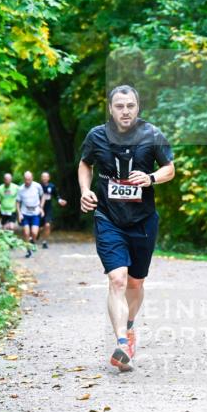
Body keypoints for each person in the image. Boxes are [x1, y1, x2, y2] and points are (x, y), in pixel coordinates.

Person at [77, 84, 175, 372]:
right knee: (117, 279)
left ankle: (129, 329)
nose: (125, 111)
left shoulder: (152, 134)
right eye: (119, 106)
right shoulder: (96, 136)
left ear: (138, 106)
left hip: (143, 220)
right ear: (110, 108)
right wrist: (85, 190)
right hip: (108, 217)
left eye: (130, 105)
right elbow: (85, 164)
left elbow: (170, 168)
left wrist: (151, 178)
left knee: (135, 282)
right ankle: (121, 342)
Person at [15, 170, 44, 258]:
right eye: (26, 179)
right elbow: (17, 202)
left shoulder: (37, 186)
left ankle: (33, 242)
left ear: (32, 178)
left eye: (29, 179)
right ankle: (28, 250)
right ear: (24, 179)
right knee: (26, 232)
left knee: (34, 233)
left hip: (35, 212)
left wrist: (41, 208)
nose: (27, 181)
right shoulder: (20, 189)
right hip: (25, 213)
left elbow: (43, 196)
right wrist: (19, 214)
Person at [39, 171, 68, 248]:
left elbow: (56, 195)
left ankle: (44, 242)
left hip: (48, 208)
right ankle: (37, 234)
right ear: (41, 178)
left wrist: (60, 201)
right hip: (38, 208)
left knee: (47, 225)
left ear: (48, 178)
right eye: (43, 177)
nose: (44, 178)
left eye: (46, 177)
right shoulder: (38, 186)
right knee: (39, 227)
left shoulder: (52, 186)